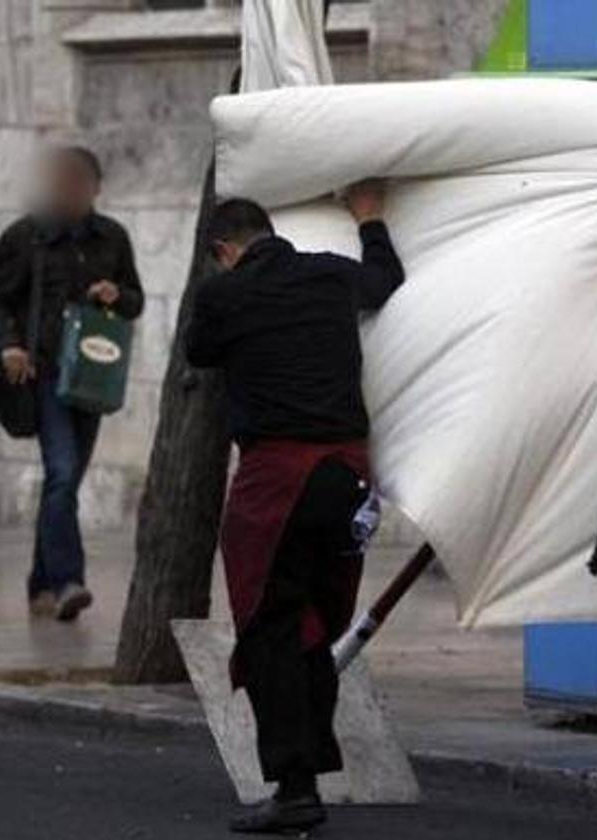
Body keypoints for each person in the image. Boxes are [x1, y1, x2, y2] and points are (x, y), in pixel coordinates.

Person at [186, 182, 405, 834]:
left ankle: (295, 785)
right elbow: (385, 279)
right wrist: (369, 218)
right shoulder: (330, 275)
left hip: (277, 481)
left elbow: (199, 352)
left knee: (273, 629)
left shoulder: (223, 293)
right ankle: (309, 765)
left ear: (224, 249)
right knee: (316, 621)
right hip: (345, 478)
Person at [0, 146, 144, 622]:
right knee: (63, 472)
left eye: (78, 183)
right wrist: (10, 346)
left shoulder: (112, 238)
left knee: (64, 483)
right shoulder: (25, 237)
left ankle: (40, 584)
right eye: (61, 182)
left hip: (92, 377)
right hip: (43, 374)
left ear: (95, 188)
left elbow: (135, 300)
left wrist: (117, 295)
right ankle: (70, 580)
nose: (68, 191)